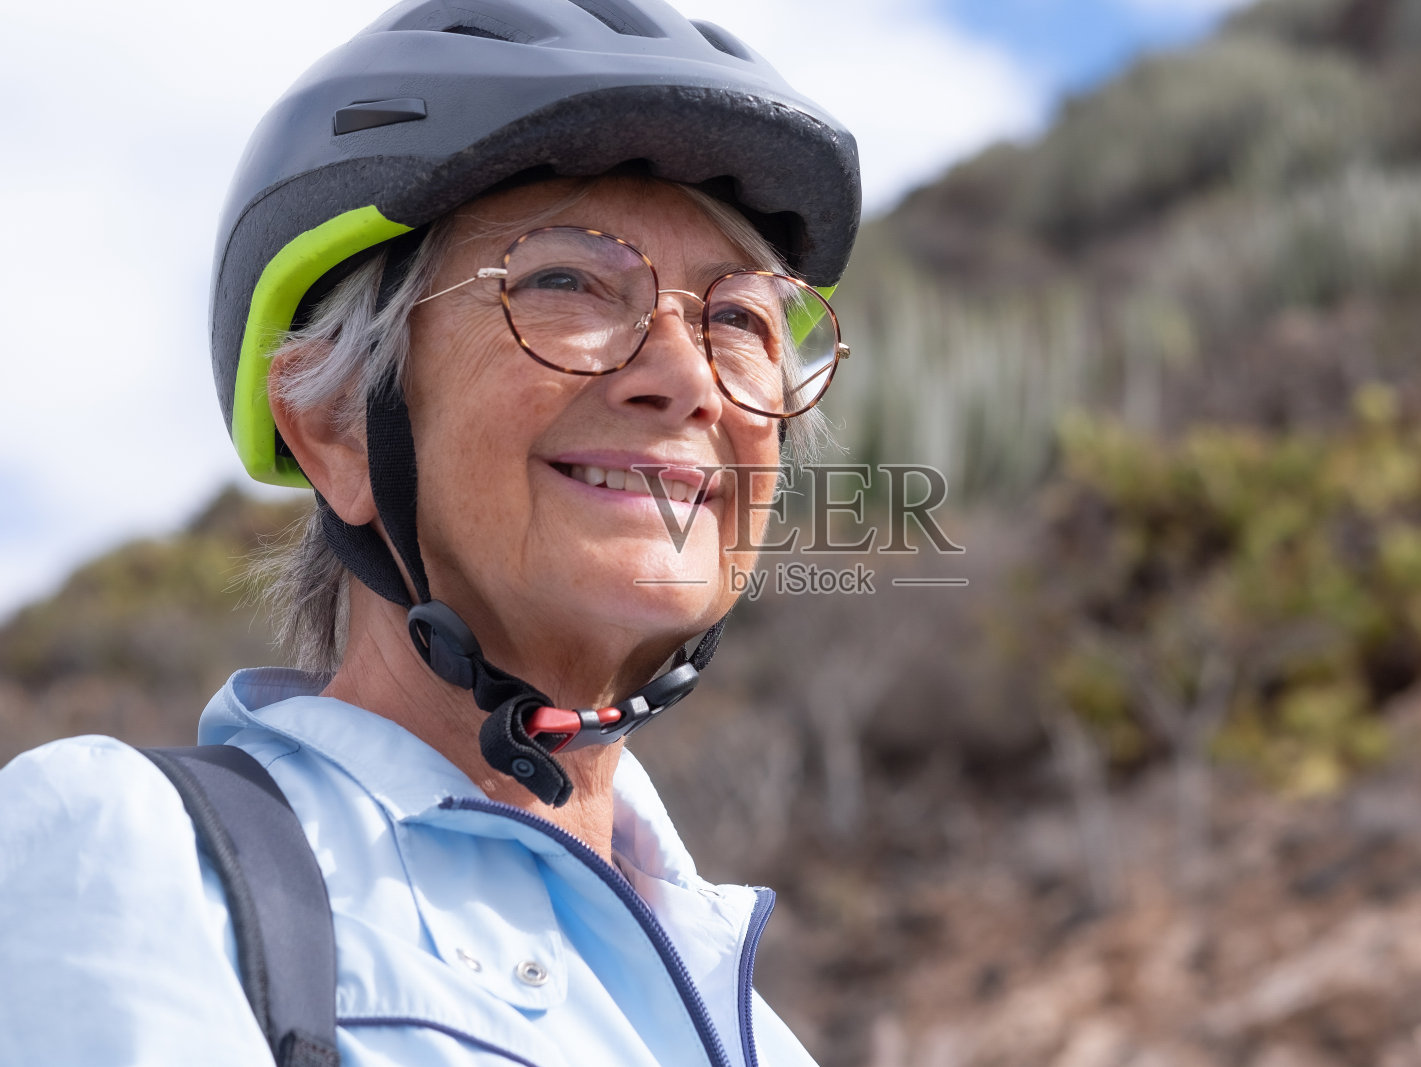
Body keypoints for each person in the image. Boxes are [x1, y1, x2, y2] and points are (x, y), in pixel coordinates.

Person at [0, 0, 859, 1063]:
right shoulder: (144, 859)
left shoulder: (763, 1038)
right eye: (566, 281)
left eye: (738, 320)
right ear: (334, 425)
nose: (687, 381)